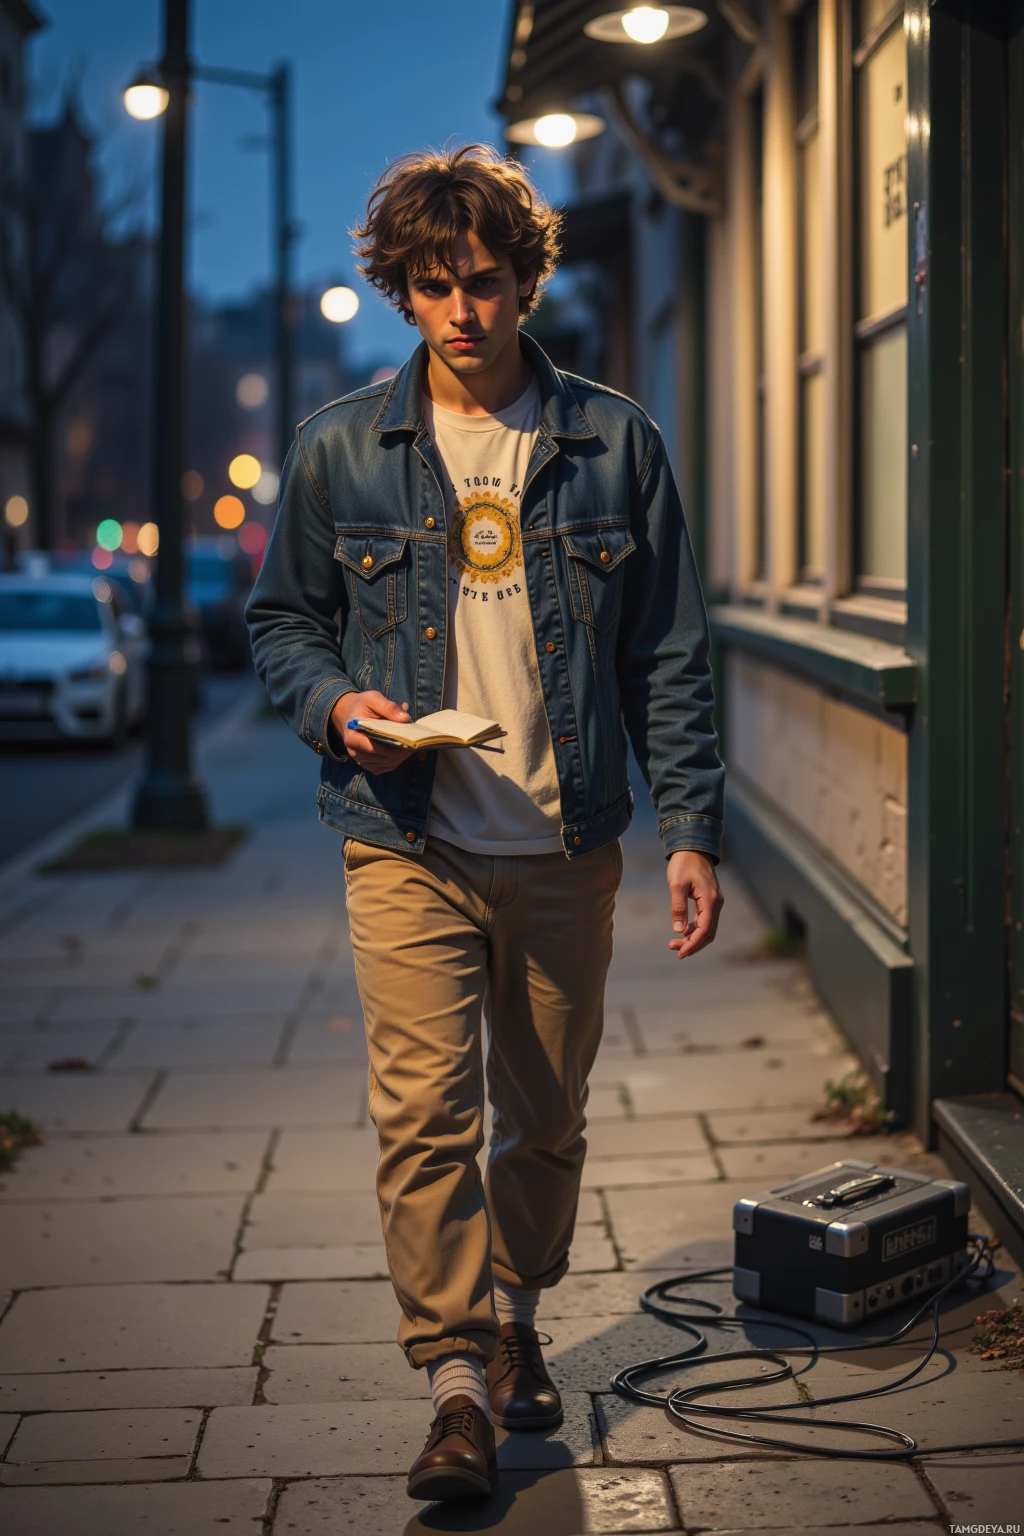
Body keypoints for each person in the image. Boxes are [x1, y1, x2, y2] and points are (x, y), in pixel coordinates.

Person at [247, 143, 725, 1502]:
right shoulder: (341, 447)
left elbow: (670, 653)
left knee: (549, 1115)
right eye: (434, 285)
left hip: (566, 843)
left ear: (527, 282)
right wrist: (340, 705)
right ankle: (458, 1382)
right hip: (407, 835)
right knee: (423, 1117)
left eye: (486, 283)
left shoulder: (615, 440)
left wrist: (689, 826)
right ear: (401, 290)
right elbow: (283, 620)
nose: (463, 310)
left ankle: (519, 1309)